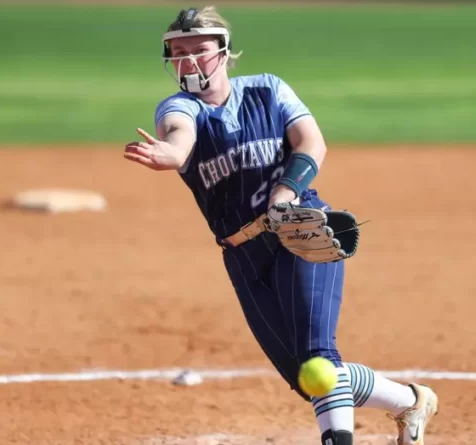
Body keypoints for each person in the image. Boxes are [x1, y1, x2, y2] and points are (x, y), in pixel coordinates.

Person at [123, 6, 438, 445]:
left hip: (300, 232)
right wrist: (172, 155)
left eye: (199, 49)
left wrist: (286, 191)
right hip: (242, 256)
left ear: (224, 51)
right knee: (305, 377)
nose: (188, 60)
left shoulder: (268, 89)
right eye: (178, 52)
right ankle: (410, 401)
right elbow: (180, 135)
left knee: (319, 358)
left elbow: (311, 142)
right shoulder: (178, 108)